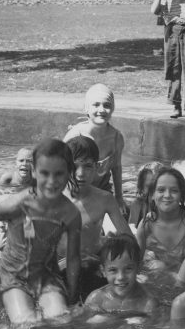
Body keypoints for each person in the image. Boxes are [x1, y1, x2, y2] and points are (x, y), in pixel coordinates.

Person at [0, 139, 82, 324]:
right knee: (26, 324)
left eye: (59, 174)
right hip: (13, 276)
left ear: (69, 172)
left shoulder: (70, 214)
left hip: (46, 277)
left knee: (62, 320)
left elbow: (73, 257)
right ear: (34, 171)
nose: (51, 181)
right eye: (45, 173)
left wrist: (73, 295)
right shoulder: (19, 203)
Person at [62, 136, 131, 300]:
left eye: (87, 166)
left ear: (97, 167)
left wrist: (112, 252)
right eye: (74, 166)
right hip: (59, 267)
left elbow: (129, 240)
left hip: (92, 265)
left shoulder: (105, 199)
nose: (80, 174)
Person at [63, 84, 126, 211]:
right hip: (75, 194)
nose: (101, 110)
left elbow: (117, 168)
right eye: (96, 105)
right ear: (86, 108)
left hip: (102, 192)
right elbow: (60, 168)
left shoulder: (116, 138)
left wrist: (119, 198)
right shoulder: (75, 136)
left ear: (113, 108)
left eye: (107, 105)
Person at [136, 166, 185, 272]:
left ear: (181, 194)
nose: (167, 195)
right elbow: (136, 265)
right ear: (152, 195)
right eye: (161, 190)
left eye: (174, 191)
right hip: (157, 279)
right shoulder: (145, 225)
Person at [84, 233, 158, 318]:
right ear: (103, 271)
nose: (121, 277)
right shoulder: (96, 299)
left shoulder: (148, 304)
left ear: (139, 268)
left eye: (128, 269)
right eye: (113, 270)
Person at [128, 161, 164, 229]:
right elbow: (131, 229)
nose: (154, 190)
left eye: (160, 187)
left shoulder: (165, 203)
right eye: (149, 186)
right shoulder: (137, 204)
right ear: (141, 188)